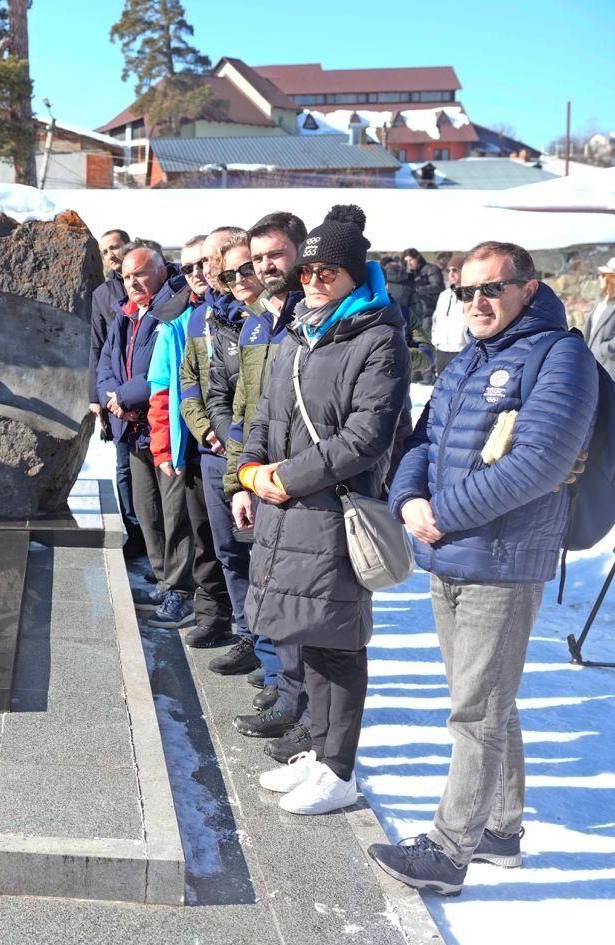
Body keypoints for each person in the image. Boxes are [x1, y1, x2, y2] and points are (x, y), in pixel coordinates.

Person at [372, 242, 599, 895]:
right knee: (488, 698)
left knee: (477, 708)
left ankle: (449, 849)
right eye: (467, 290)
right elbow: (423, 439)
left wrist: (441, 511)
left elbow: (541, 461)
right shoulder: (470, 357)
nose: (478, 302)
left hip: (503, 558)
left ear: (529, 288)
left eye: (492, 288)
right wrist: (408, 496)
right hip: (450, 553)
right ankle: (500, 826)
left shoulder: (561, 355)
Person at [236, 205, 410, 816]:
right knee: (303, 636)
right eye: (307, 269)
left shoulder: (377, 337)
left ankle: (340, 770)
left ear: (353, 274)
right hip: (288, 508)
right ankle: (318, 749)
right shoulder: (298, 333)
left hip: (332, 510)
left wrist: (285, 476)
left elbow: (366, 436)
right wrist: (248, 472)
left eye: (327, 271)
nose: (313, 280)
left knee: (336, 642)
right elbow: (266, 415)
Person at [227, 210, 310, 762]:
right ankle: (287, 690)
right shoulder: (262, 317)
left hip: (307, 480)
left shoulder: (313, 317)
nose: (264, 266)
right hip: (266, 472)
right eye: (258, 258)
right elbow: (252, 405)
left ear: (302, 252)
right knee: (277, 593)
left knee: (308, 607)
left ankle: (302, 709)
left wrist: (278, 473)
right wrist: (246, 473)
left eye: (275, 255)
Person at [97, 245, 194, 626]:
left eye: (140, 273)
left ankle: (180, 588)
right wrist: (111, 397)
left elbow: (164, 369)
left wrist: (123, 397)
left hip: (161, 426)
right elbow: (107, 360)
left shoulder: (174, 307)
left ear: (159, 270)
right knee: (146, 509)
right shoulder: (126, 312)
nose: (132, 282)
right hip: (132, 429)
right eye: (125, 276)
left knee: (174, 513)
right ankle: (161, 574)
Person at [145, 234, 232, 640]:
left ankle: (238, 625)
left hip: (232, 442)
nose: (197, 273)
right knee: (201, 536)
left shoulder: (236, 315)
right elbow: (167, 389)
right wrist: (169, 443)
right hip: (193, 442)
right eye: (188, 267)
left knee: (230, 541)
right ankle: (210, 614)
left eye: (203, 264)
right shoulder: (179, 320)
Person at [185, 228, 263, 677]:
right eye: (220, 268)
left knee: (259, 555)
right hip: (216, 448)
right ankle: (247, 633)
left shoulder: (260, 317)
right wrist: (209, 430)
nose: (212, 272)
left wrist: (235, 440)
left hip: (249, 451)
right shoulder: (207, 318)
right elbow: (194, 383)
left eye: (215, 262)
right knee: (229, 549)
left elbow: (257, 398)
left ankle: (267, 647)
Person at [90, 228, 142, 557]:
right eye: (107, 249)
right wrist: (96, 396)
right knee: (123, 467)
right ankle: (134, 532)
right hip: (114, 392)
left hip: (146, 388)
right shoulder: (101, 294)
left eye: (117, 246)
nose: (113, 253)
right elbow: (96, 345)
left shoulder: (145, 282)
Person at [429, 255, 467, 373]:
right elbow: (436, 320)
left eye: (455, 270)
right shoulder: (444, 295)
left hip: (462, 350)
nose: (451, 274)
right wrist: (436, 342)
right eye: (448, 270)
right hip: (442, 350)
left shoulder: (471, 294)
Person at [404, 248, 445, 339]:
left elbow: (438, 286)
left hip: (429, 310)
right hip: (415, 311)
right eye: (406, 261)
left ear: (417, 259)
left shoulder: (431, 269)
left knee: (426, 338)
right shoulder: (410, 273)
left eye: (411, 260)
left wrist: (418, 289)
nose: (409, 263)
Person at [587, 257, 615, 377]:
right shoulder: (601, 300)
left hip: (609, 369)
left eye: (603, 275)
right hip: (593, 366)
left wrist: (603, 349)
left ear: (612, 278)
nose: (599, 277)